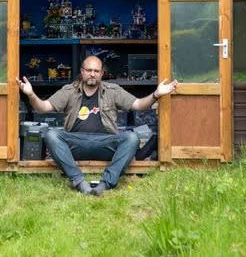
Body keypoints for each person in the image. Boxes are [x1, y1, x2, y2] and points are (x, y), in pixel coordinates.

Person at [16, 55, 177, 196]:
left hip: (106, 143)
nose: (92, 74)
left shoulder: (113, 91)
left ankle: (106, 183)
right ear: (82, 71)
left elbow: (139, 104)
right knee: (52, 135)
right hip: (75, 144)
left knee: (131, 138)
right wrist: (30, 94)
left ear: (101, 74)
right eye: (89, 70)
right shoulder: (69, 91)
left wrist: (156, 94)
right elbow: (43, 108)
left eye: (96, 71)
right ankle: (79, 181)